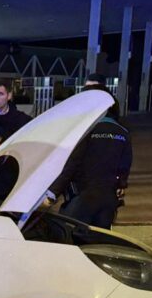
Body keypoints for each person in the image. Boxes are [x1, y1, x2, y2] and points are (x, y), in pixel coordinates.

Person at [47, 73, 131, 228]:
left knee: (68, 237)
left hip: (83, 198)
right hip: (108, 200)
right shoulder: (123, 132)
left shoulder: (85, 130)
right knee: (99, 240)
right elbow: (124, 165)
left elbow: (71, 165)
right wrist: (121, 184)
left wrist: (51, 194)